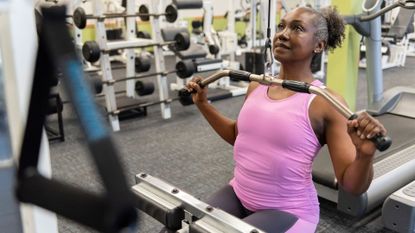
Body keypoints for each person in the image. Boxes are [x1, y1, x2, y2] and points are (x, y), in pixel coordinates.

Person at [185, 6, 387, 233]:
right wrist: (203, 104)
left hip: (289, 212)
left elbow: (352, 186)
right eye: (281, 26)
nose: (282, 34)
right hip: (239, 193)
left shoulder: (325, 102)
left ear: (319, 45)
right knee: (191, 227)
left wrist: (364, 155)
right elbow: (238, 136)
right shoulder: (257, 85)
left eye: (297, 28)